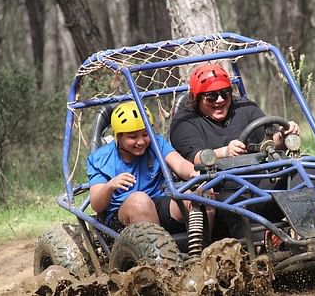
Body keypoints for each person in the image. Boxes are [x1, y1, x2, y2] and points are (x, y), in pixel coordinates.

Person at [169, 63, 302, 239]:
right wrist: (225, 152)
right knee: (232, 201)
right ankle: (264, 242)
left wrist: (284, 135)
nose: (220, 100)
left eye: (225, 93)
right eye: (211, 96)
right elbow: (196, 159)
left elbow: (269, 142)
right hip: (223, 191)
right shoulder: (184, 123)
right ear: (197, 98)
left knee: (304, 169)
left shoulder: (245, 107)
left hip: (260, 181)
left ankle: (308, 231)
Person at [87, 101, 203, 235]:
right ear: (118, 136)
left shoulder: (156, 143)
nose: (141, 141)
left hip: (160, 202)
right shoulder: (101, 158)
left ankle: (204, 250)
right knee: (140, 201)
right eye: (132, 137)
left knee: (198, 196)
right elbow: (96, 205)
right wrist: (110, 186)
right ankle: (159, 255)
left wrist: (195, 174)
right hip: (122, 215)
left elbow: (180, 164)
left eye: (145, 134)